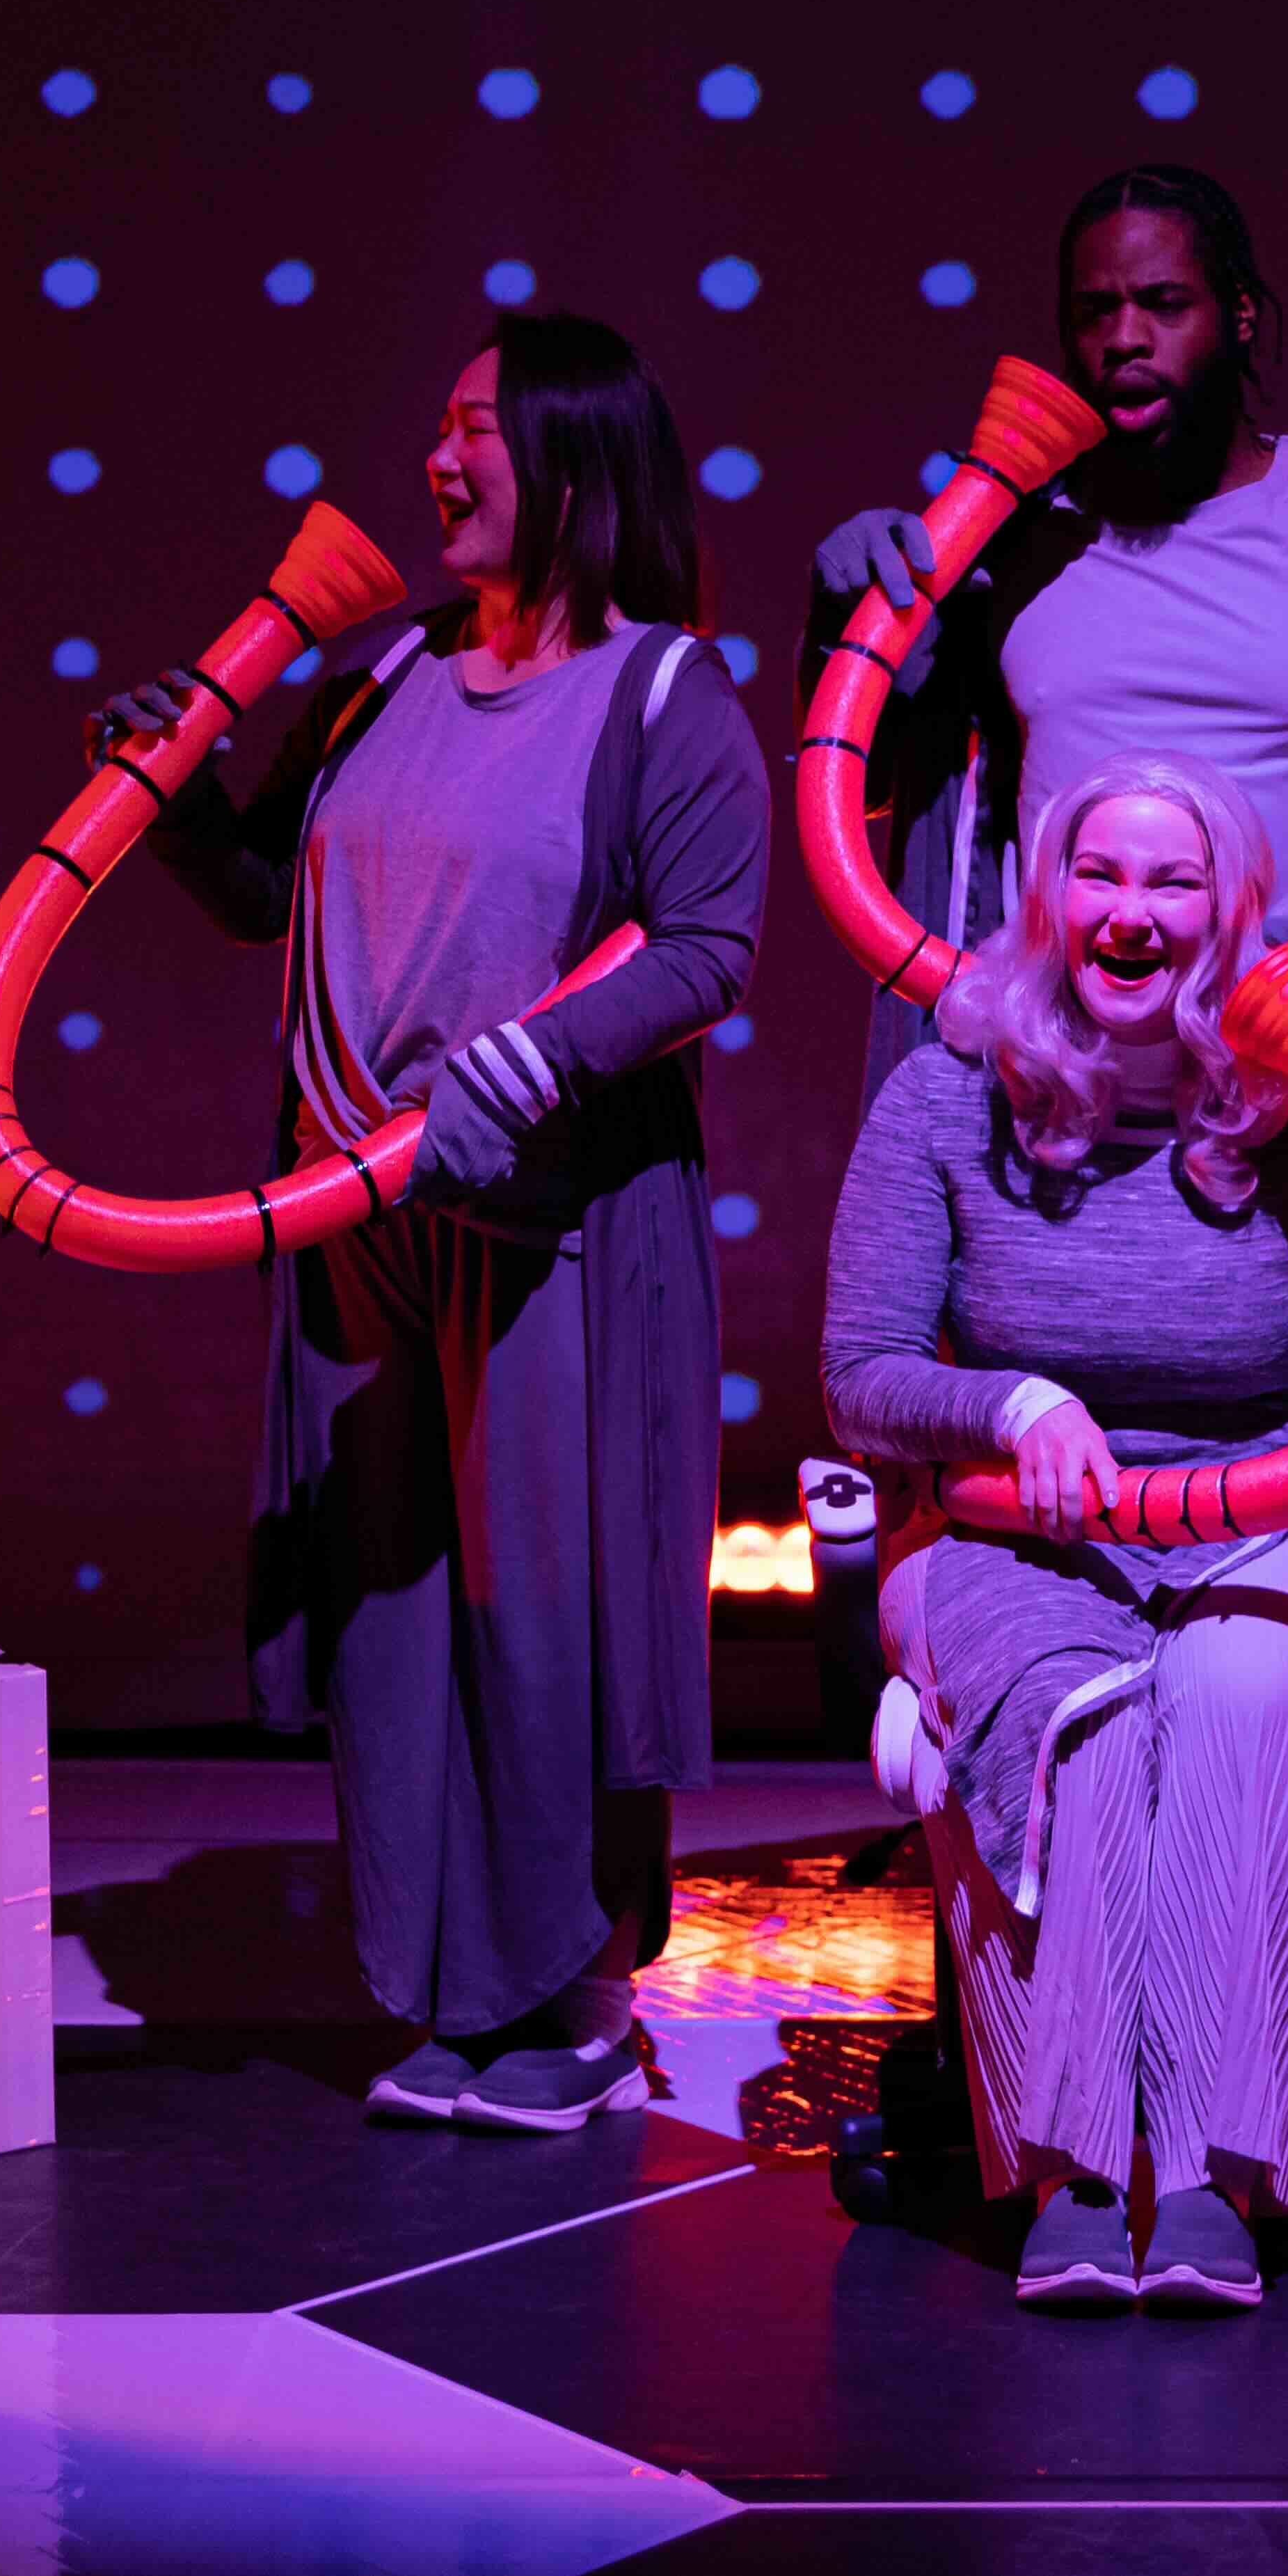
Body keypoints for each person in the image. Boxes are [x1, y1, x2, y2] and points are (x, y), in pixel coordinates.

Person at [90, 312, 768, 2134]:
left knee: (543, 1609)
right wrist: (177, 808)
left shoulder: (663, 697)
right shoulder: (386, 672)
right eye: (443, 423)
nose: (436, 460)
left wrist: (523, 1067)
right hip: (357, 1218)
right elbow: (267, 890)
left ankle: (572, 1995)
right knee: (393, 1612)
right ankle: (449, 1988)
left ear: (572, 455)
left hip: (545, 1223)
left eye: (476, 426)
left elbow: (708, 948)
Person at [821, 750, 1288, 2314]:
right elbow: (861, 1376)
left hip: (1270, 1512)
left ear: (1233, 912)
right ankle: (1068, 2171)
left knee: (1248, 1692)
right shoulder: (945, 1091)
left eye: (1173, 880)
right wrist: (1014, 1407)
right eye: (1098, 872)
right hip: (1014, 1529)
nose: (1131, 909)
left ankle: (1208, 2177)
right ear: (1045, 898)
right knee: (1083, 1722)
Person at [802, 161, 1288, 1105]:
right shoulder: (1004, 552)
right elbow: (867, 788)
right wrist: (848, 628)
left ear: (1240, 316)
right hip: (1048, 1115)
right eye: (1095, 311)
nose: (1124, 338)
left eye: (1163, 304)